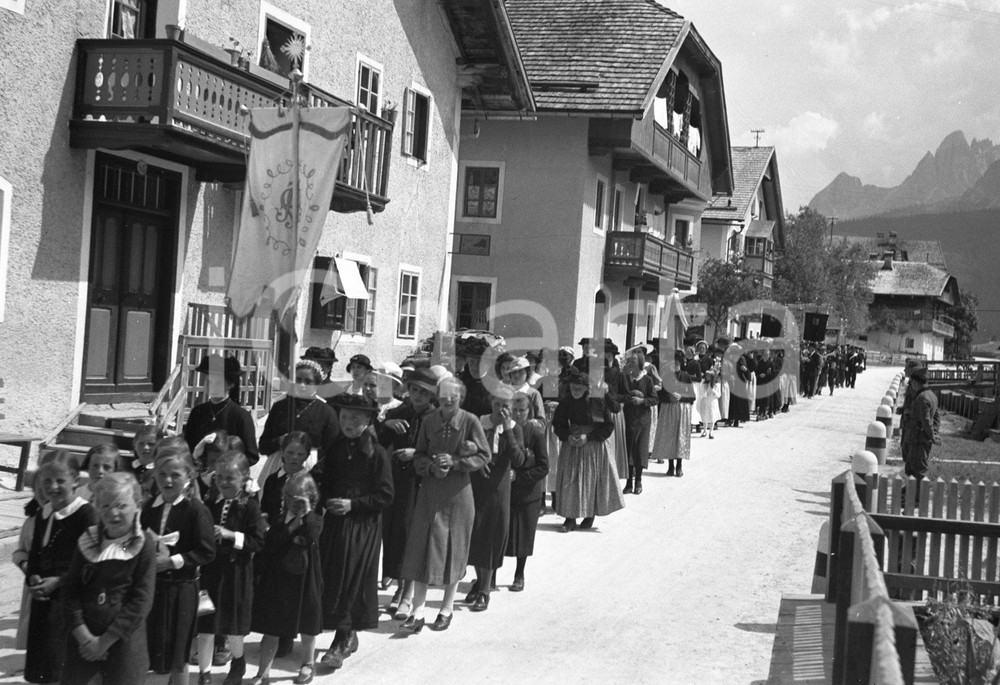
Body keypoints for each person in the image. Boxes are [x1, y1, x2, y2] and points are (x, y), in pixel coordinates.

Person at [400, 377, 490, 633]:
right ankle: (417, 611)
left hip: (458, 494)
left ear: (461, 397)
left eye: (454, 395)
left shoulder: (470, 421)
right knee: (422, 547)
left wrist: (457, 463)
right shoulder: (429, 422)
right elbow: (419, 455)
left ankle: (446, 608)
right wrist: (430, 467)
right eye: (444, 395)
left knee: (454, 548)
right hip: (430, 492)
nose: (448, 400)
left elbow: (484, 455)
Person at [315, 395, 393, 671]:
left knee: (352, 578)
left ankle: (341, 640)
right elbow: (325, 482)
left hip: (363, 525)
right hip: (336, 523)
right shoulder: (336, 448)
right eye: (344, 418)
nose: (348, 424)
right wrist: (326, 500)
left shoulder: (377, 453)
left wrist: (353, 504)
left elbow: (385, 495)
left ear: (368, 421)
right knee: (334, 576)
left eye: (355, 419)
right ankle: (346, 633)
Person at [61, 473, 157, 685]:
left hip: (124, 643)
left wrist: (104, 642)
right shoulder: (88, 539)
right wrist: (84, 638)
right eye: (105, 506)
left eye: (121, 506)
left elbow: (141, 601)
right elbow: (70, 591)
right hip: (84, 641)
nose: (113, 513)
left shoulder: (144, 545)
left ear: (137, 505)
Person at [140, 442, 216, 682]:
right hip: (154, 588)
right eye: (162, 474)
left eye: (175, 475)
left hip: (181, 588)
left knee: (177, 653)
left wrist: (172, 561)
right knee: (154, 649)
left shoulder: (195, 510)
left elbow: (206, 551)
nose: (168, 480)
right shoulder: (149, 509)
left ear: (189, 476)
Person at [19, 451, 97, 683]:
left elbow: (91, 561)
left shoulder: (85, 514)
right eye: (47, 481)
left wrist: (59, 581)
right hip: (44, 601)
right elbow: (35, 553)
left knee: (62, 667)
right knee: (44, 667)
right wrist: (33, 577)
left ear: (75, 480)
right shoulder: (43, 513)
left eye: (60, 480)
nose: (53, 487)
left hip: (70, 601)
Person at [377, 367, 441, 619]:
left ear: (431, 395)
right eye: (414, 390)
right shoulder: (397, 413)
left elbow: (443, 450)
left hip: (421, 483)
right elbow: (377, 443)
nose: (417, 396)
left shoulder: (437, 418)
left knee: (411, 535)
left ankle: (406, 593)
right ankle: (398, 585)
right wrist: (385, 425)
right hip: (396, 481)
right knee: (394, 534)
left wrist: (417, 454)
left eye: (423, 392)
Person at [195, 452, 264, 685]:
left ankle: (238, 662)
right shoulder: (210, 504)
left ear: (244, 477)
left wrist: (230, 535)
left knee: (233, 626)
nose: (223, 482)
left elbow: (257, 541)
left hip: (236, 573)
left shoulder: (249, 506)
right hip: (210, 573)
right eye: (219, 477)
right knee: (205, 625)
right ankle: (204, 673)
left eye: (230, 478)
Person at [249, 473, 324, 685]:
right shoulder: (279, 519)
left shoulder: (315, 519)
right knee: (272, 628)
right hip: (279, 579)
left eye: (299, 497)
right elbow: (271, 543)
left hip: (305, 579)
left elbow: (310, 535)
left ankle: (308, 663)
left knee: (307, 625)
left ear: (311, 497)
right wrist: (291, 530)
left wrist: (306, 514)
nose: (294, 501)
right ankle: (263, 672)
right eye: (289, 496)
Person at [467, 387, 525, 611]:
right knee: (475, 534)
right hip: (476, 483)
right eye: (498, 404)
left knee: (492, 535)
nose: (501, 409)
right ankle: (480, 581)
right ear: (491, 402)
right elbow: (466, 449)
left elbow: (518, 459)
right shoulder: (478, 423)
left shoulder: (514, 428)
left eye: (506, 405)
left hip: (498, 487)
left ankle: (484, 589)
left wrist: (508, 429)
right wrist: (475, 463)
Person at [552, 368, 625, 532]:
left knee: (590, 480)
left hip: (592, 445)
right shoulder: (566, 401)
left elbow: (607, 426)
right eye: (573, 387)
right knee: (570, 481)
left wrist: (588, 437)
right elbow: (558, 424)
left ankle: (589, 514)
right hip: (572, 444)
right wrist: (567, 436)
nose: (575, 391)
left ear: (587, 388)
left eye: (579, 388)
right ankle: (570, 518)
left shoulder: (595, 402)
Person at [258, 360, 341, 485]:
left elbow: (331, 450)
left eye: (308, 382)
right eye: (298, 380)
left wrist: (315, 471)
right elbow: (263, 446)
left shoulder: (326, 412)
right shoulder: (280, 407)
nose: (302, 385)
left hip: (310, 469)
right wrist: (279, 441)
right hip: (278, 465)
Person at [504, 392, 549, 592]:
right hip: (506, 492)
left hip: (528, 493)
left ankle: (519, 574)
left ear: (529, 412)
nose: (517, 414)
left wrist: (519, 476)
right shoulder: (505, 431)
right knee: (501, 534)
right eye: (514, 410)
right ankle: (490, 577)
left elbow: (543, 467)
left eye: (522, 410)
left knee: (524, 536)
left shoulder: (536, 434)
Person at [183, 354, 259, 465]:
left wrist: (225, 467)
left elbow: (252, 456)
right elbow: (187, 448)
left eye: (218, 383)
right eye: (208, 382)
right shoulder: (197, 413)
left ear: (230, 384)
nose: (212, 386)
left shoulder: (241, 416)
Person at [622, 347, 657, 495]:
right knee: (629, 448)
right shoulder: (625, 378)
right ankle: (628, 482)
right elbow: (619, 395)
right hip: (628, 417)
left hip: (642, 419)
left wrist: (642, 401)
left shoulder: (647, 379)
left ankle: (638, 481)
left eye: (634, 361)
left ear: (640, 362)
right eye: (630, 361)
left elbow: (654, 399)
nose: (631, 363)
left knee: (640, 449)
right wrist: (629, 395)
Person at [901, 368, 940, 491]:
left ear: (916, 381)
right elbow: (936, 418)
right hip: (920, 439)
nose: (911, 384)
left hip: (918, 439)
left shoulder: (922, 397)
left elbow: (926, 420)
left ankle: (917, 496)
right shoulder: (932, 395)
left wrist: (932, 436)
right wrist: (935, 432)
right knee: (911, 466)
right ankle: (910, 491)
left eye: (912, 381)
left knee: (918, 468)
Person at [657, 352, 695, 477]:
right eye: (673, 362)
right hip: (669, 409)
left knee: (680, 436)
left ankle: (679, 465)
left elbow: (692, 396)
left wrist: (681, 397)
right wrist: (669, 397)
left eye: (677, 362)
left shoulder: (686, 377)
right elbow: (660, 395)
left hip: (682, 410)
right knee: (670, 436)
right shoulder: (666, 377)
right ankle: (670, 466)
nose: (675, 364)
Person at [130, 424, 161, 502]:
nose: (145, 447)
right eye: (141, 444)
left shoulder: (161, 471)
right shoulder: (126, 468)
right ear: (134, 445)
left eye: (151, 444)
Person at [698, 371, 722, 439]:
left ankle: (711, 432)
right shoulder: (704, 384)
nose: (707, 377)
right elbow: (701, 393)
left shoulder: (717, 384)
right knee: (704, 416)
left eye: (709, 376)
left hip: (712, 401)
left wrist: (713, 391)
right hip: (705, 401)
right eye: (706, 376)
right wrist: (706, 393)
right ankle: (705, 430)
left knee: (712, 416)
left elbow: (719, 395)